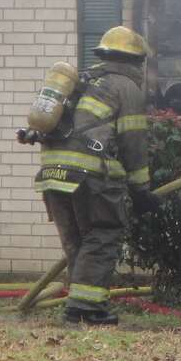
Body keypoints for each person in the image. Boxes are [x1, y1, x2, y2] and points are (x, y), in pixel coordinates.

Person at [34, 26, 159, 325]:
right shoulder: (125, 87)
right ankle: (86, 308)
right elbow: (133, 142)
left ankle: (80, 306)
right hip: (91, 176)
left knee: (78, 241)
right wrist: (141, 189)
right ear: (135, 61)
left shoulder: (84, 81)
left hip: (53, 174)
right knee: (102, 237)